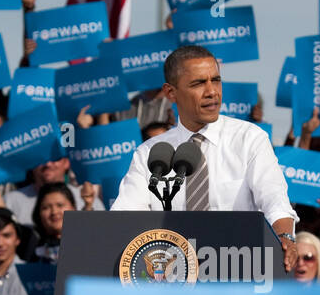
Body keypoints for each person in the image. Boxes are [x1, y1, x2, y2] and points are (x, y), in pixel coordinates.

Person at [111, 46, 299, 272]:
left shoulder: (249, 139)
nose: (212, 91)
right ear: (171, 93)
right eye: (198, 83)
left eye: (216, 80)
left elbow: (275, 201)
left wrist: (285, 236)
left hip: (239, 273)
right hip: (173, 280)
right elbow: (124, 220)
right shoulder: (150, 154)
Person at [28, 182, 76, 263]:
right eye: (46, 207)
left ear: (73, 208)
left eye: (60, 205)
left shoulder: (88, 244)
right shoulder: (31, 249)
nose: (54, 212)